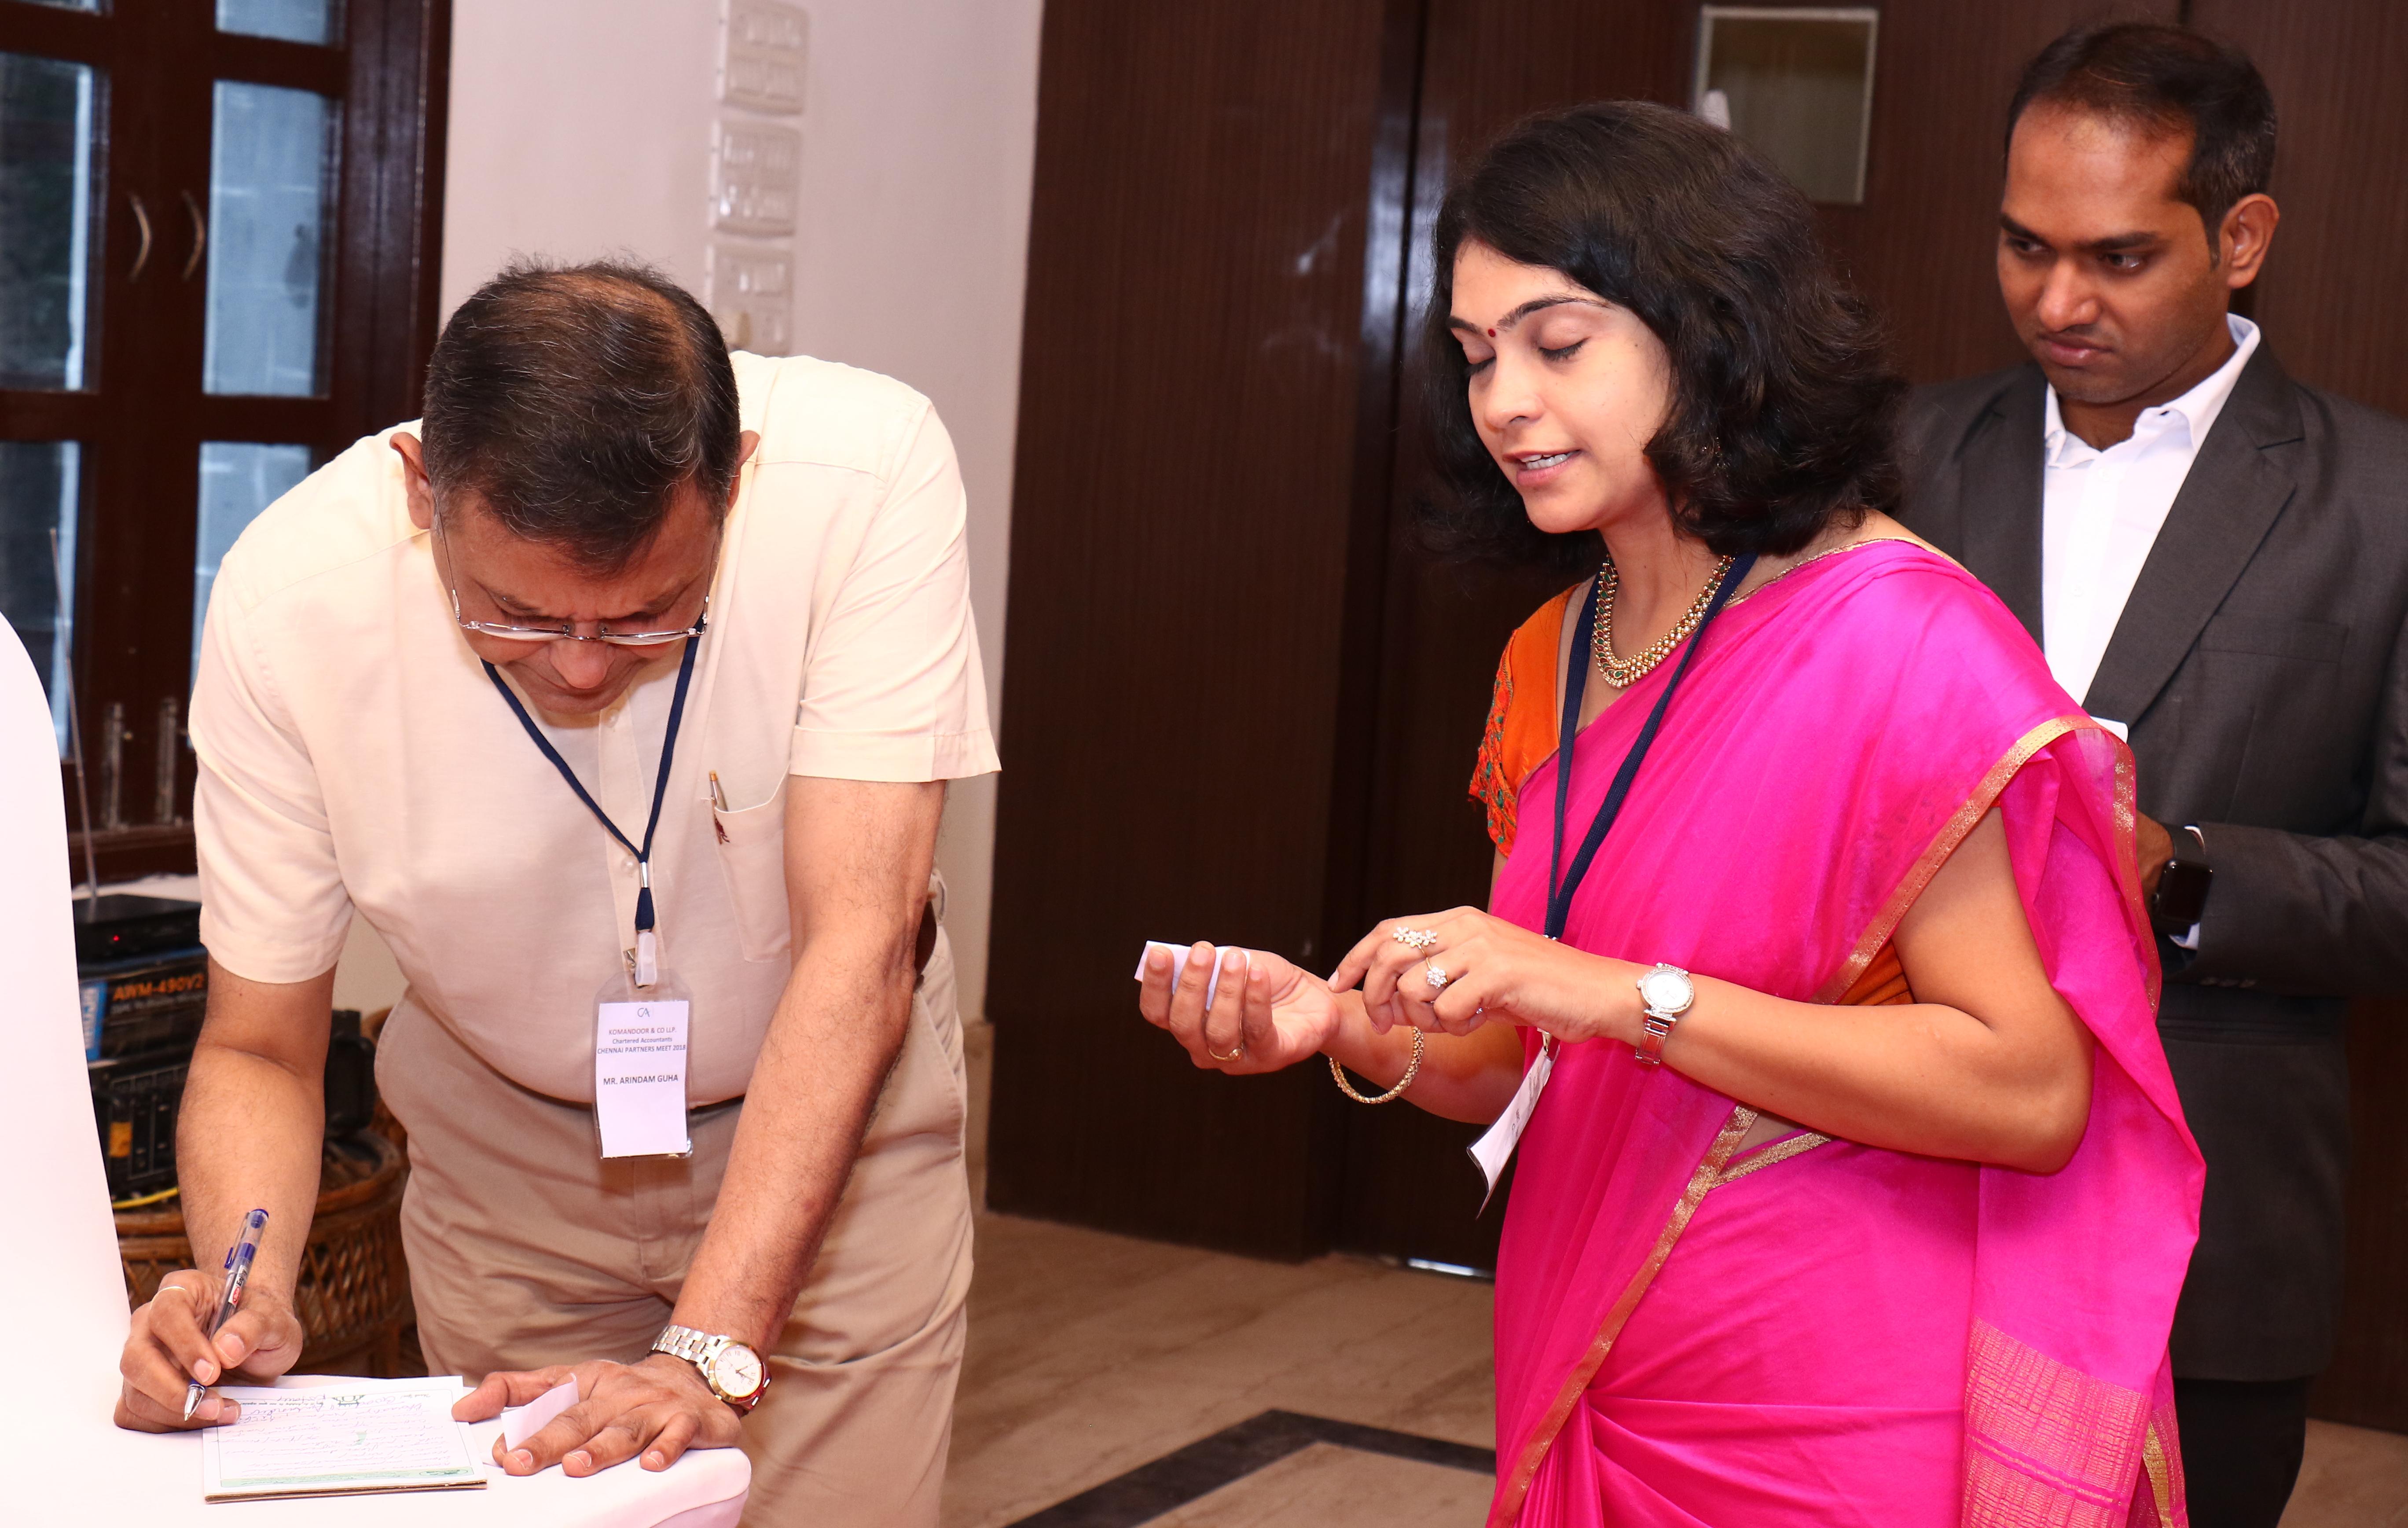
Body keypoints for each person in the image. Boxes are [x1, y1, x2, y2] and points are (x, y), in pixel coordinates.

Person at [1139, 102, 2203, 1527]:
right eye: (1477, 355)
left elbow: (2030, 1094)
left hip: (1838, 1403)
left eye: (1558, 344)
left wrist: (1623, 994)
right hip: (1599, 1360)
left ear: (1708, 333)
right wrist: (1341, 1024)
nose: (1505, 401)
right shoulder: (1550, 654)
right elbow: (1522, 1058)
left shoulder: (1900, 643)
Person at [110, 261, 996, 1526]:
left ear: (735, 482)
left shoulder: (867, 476)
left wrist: (707, 1352)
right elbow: (261, 1045)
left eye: (648, 619)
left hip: (830, 1146)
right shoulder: (289, 604)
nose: (582, 669)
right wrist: (243, 1288)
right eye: (517, 617)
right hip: (504, 1161)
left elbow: (862, 945)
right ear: (424, 490)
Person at [1898, 22, 2408, 1528]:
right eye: (2025, 246)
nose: (2058, 302)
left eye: (2117, 258)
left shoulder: (2384, 506)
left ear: (2241, 239)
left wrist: (2177, 867)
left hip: (2212, 1233)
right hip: (1899, 1190)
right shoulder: (1897, 465)